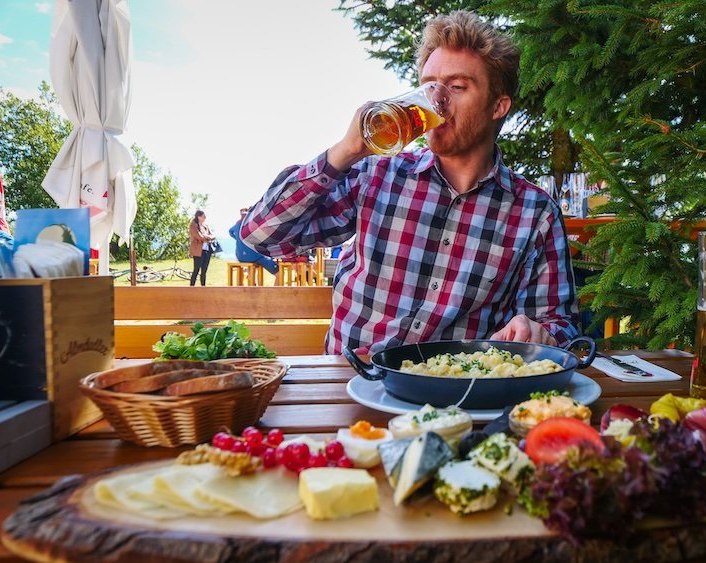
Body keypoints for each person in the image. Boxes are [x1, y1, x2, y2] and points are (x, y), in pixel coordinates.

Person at [240, 11, 578, 355]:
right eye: (429, 84)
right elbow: (262, 235)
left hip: (454, 394)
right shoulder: (376, 175)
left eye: (458, 87)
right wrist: (345, 151)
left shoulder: (534, 212)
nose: (438, 100)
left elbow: (559, 324)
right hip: (351, 385)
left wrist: (538, 331)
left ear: (498, 106)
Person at [229, 208, 278, 274]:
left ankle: (253, 282)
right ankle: (277, 277)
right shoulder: (253, 223)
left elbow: (230, 231)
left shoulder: (238, 223)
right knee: (278, 272)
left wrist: (238, 238)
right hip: (253, 256)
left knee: (252, 264)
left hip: (240, 256)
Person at [188, 210, 216, 286]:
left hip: (207, 250)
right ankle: (192, 287)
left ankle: (203, 287)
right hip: (198, 251)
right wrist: (207, 238)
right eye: (203, 216)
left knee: (204, 270)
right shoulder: (193, 225)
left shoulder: (205, 225)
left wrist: (207, 237)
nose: (205, 218)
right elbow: (199, 236)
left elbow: (213, 235)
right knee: (196, 269)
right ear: (198, 217)